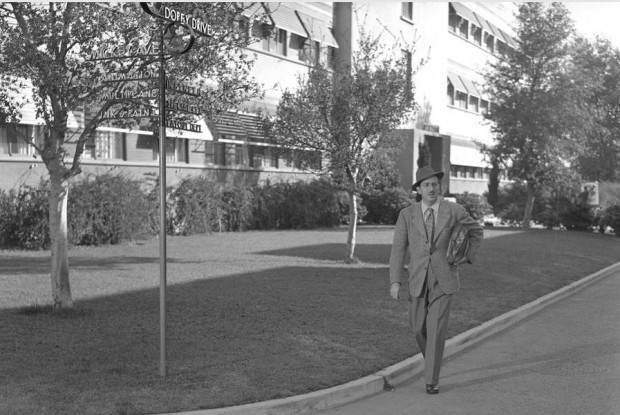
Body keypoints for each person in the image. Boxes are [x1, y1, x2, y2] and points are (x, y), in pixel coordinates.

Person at [389, 165, 483, 394]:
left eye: (435, 184)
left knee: (436, 329)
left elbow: (476, 231)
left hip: (445, 278)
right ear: (418, 190)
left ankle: (431, 380)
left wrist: (466, 257)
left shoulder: (454, 210)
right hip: (417, 279)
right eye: (427, 185)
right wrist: (395, 281)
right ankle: (433, 358)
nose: (432, 188)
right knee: (417, 328)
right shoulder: (406, 215)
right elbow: (398, 249)